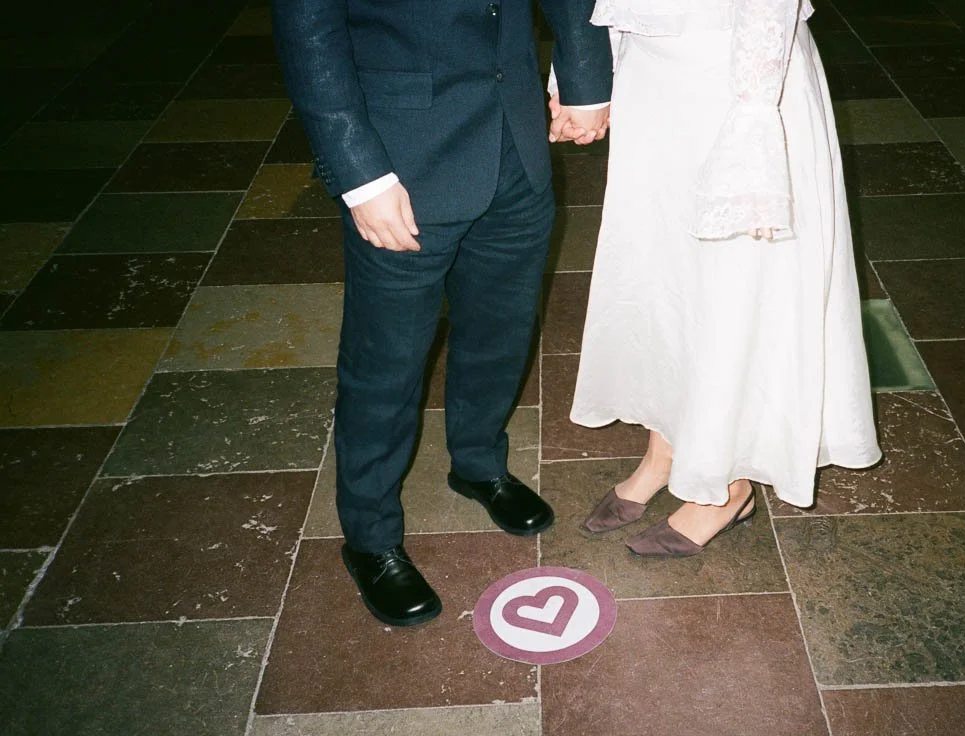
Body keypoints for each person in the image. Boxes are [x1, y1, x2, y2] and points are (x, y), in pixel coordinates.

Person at [273, 0, 612, 625]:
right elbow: (309, 33)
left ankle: (479, 464)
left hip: (515, 142)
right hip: (401, 163)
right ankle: (370, 537)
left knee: (501, 331)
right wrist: (360, 176)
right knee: (386, 363)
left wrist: (583, 75)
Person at [570, 0, 883, 557]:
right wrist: (582, 71)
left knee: (732, 285)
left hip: (735, 83)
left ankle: (725, 486)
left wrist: (755, 119)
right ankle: (665, 451)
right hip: (655, 78)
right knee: (664, 283)